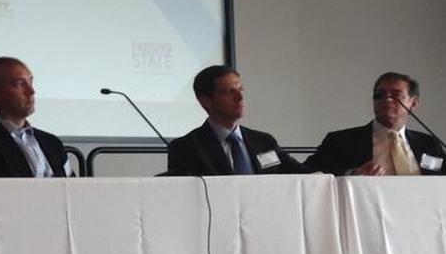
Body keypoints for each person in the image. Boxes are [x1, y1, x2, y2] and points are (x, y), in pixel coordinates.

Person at [167, 65, 300, 176]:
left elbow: (300, 173)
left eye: (241, 89)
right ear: (206, 101)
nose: (240, 97)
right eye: (229, 92)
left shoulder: (264, 142)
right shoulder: (186, 148)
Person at [304, 72, 445, 175]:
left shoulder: (429, 143)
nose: (387, 99)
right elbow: (307, 173)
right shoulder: (341, 141)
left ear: (413, 103)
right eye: (380, 94)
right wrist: (353, 174)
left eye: (396, 95)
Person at [0, 57, 72, 177]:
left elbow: (72, 189)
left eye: (30, 82)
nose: (32, 91)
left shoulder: (52, 143)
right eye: (20, 83)